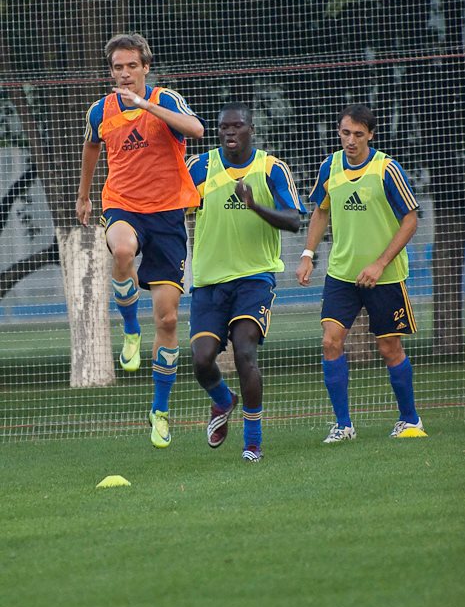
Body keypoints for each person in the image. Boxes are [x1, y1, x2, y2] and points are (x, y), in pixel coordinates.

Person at [75, 32, 205, 449]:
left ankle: (160, 410)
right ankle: (130, 331)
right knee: (122, 249)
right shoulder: (101, 110)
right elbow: (91, 146)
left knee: (167, 321)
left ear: (146, 67)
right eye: (118, 67)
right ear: (111, 72)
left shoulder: (165, 100)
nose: (125, 74)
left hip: (167, 216)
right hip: (123, 205)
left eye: (132, 66)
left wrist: (147, 106)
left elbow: (197, 129)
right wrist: (84, 195)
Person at [296, 104, 427, 442]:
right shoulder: (330, 166)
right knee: (330, 341)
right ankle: (343, 425)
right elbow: (321, 211)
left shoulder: (387, 169)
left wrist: (380, 263)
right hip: (341, 275)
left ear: (370, 134)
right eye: (345, 133)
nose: (350, 140)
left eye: (358, 134)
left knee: (389, 348)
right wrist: (308, 255)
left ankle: (410, 420)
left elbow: (410, 220)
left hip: (385, 276)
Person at [187, 102, 306, 461]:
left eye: (237, 126)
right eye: (224, 127)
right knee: (201, 360)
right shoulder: (200, 166)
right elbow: (173, 207)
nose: (230, 132)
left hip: (254, 278)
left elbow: (294, 220)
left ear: (251, 129)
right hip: (209, 280)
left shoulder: (271, 168)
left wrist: (254, 205)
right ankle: (224, 400)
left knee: (244, 351)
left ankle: (252, 442)